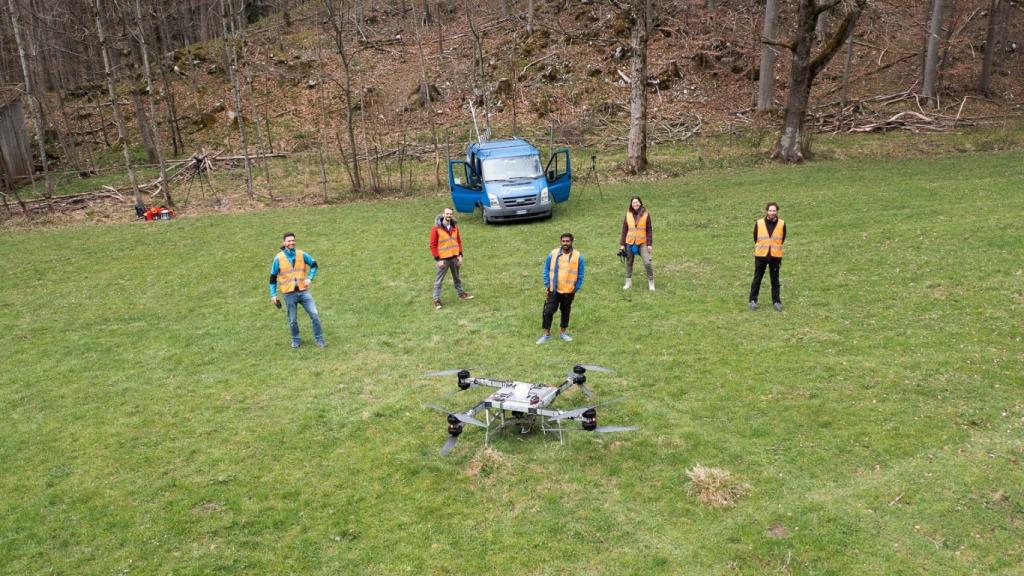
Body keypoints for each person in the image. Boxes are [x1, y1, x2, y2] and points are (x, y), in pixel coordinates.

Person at [269, 232, 325, 348]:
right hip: (289, 294)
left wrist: (310, 278)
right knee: (292, 320)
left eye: (293, 240)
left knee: (315, 314)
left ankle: (319, 339)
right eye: (289, 241)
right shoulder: (278, 258)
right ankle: (295, 340)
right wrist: (273, 295)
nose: (291, 242)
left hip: (303, 291)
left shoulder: (301, 254)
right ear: (284, 242)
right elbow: (273, 277)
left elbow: (314, 264)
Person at [537, 233, 585, 344]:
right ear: (560, 241)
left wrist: (575, 288)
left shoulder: (578, 257)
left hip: (569, 291)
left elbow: (581, 275)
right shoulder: (553, 254)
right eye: (563, 241)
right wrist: (547, 284)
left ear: (572, 241)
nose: (565, 243)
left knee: (565, 312)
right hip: (554, 290)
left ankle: (562, 333)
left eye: (567, 241)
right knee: (547, 311)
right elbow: (546, 269)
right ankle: (546, 334)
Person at [429, 207, 473, 309]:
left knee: (457, 278)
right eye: (447, 214)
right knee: (439, 280)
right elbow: (432, 245)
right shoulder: (436, 228)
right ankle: (436, 300)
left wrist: (460, 255)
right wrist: (438, 259)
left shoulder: (455, 227)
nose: (448, 215)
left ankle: (461, 294)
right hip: (443, 259)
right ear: (443, 214)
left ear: (452, 215)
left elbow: (458, 241)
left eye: (450, 214)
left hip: (454, 257)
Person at [748, 202, 786, 312]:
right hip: (761, 255)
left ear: (777, 211)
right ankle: (752, 300)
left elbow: (782, 239)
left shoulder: (782, 224)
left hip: (775, 256)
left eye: (774, 211)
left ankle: (776, 302)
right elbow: (756, 238)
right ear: (767, 211)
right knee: (757, 279)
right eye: (770, 210)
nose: (772, 212)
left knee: (775, 280)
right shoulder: (759, 223)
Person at [619, 196, 655, 291]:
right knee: (629, 262)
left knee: (647, 262)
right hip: (630, 242)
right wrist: (622, 244)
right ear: (631, 204)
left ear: (640, 203)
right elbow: (624, 229)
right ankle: (628, 282)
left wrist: (649, 244)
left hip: (642, 242)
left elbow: (649, 229)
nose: (635, 204)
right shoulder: (628, 214)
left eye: (637, 202)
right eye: (633, 202)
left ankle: (651, 282)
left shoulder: (646, 214)